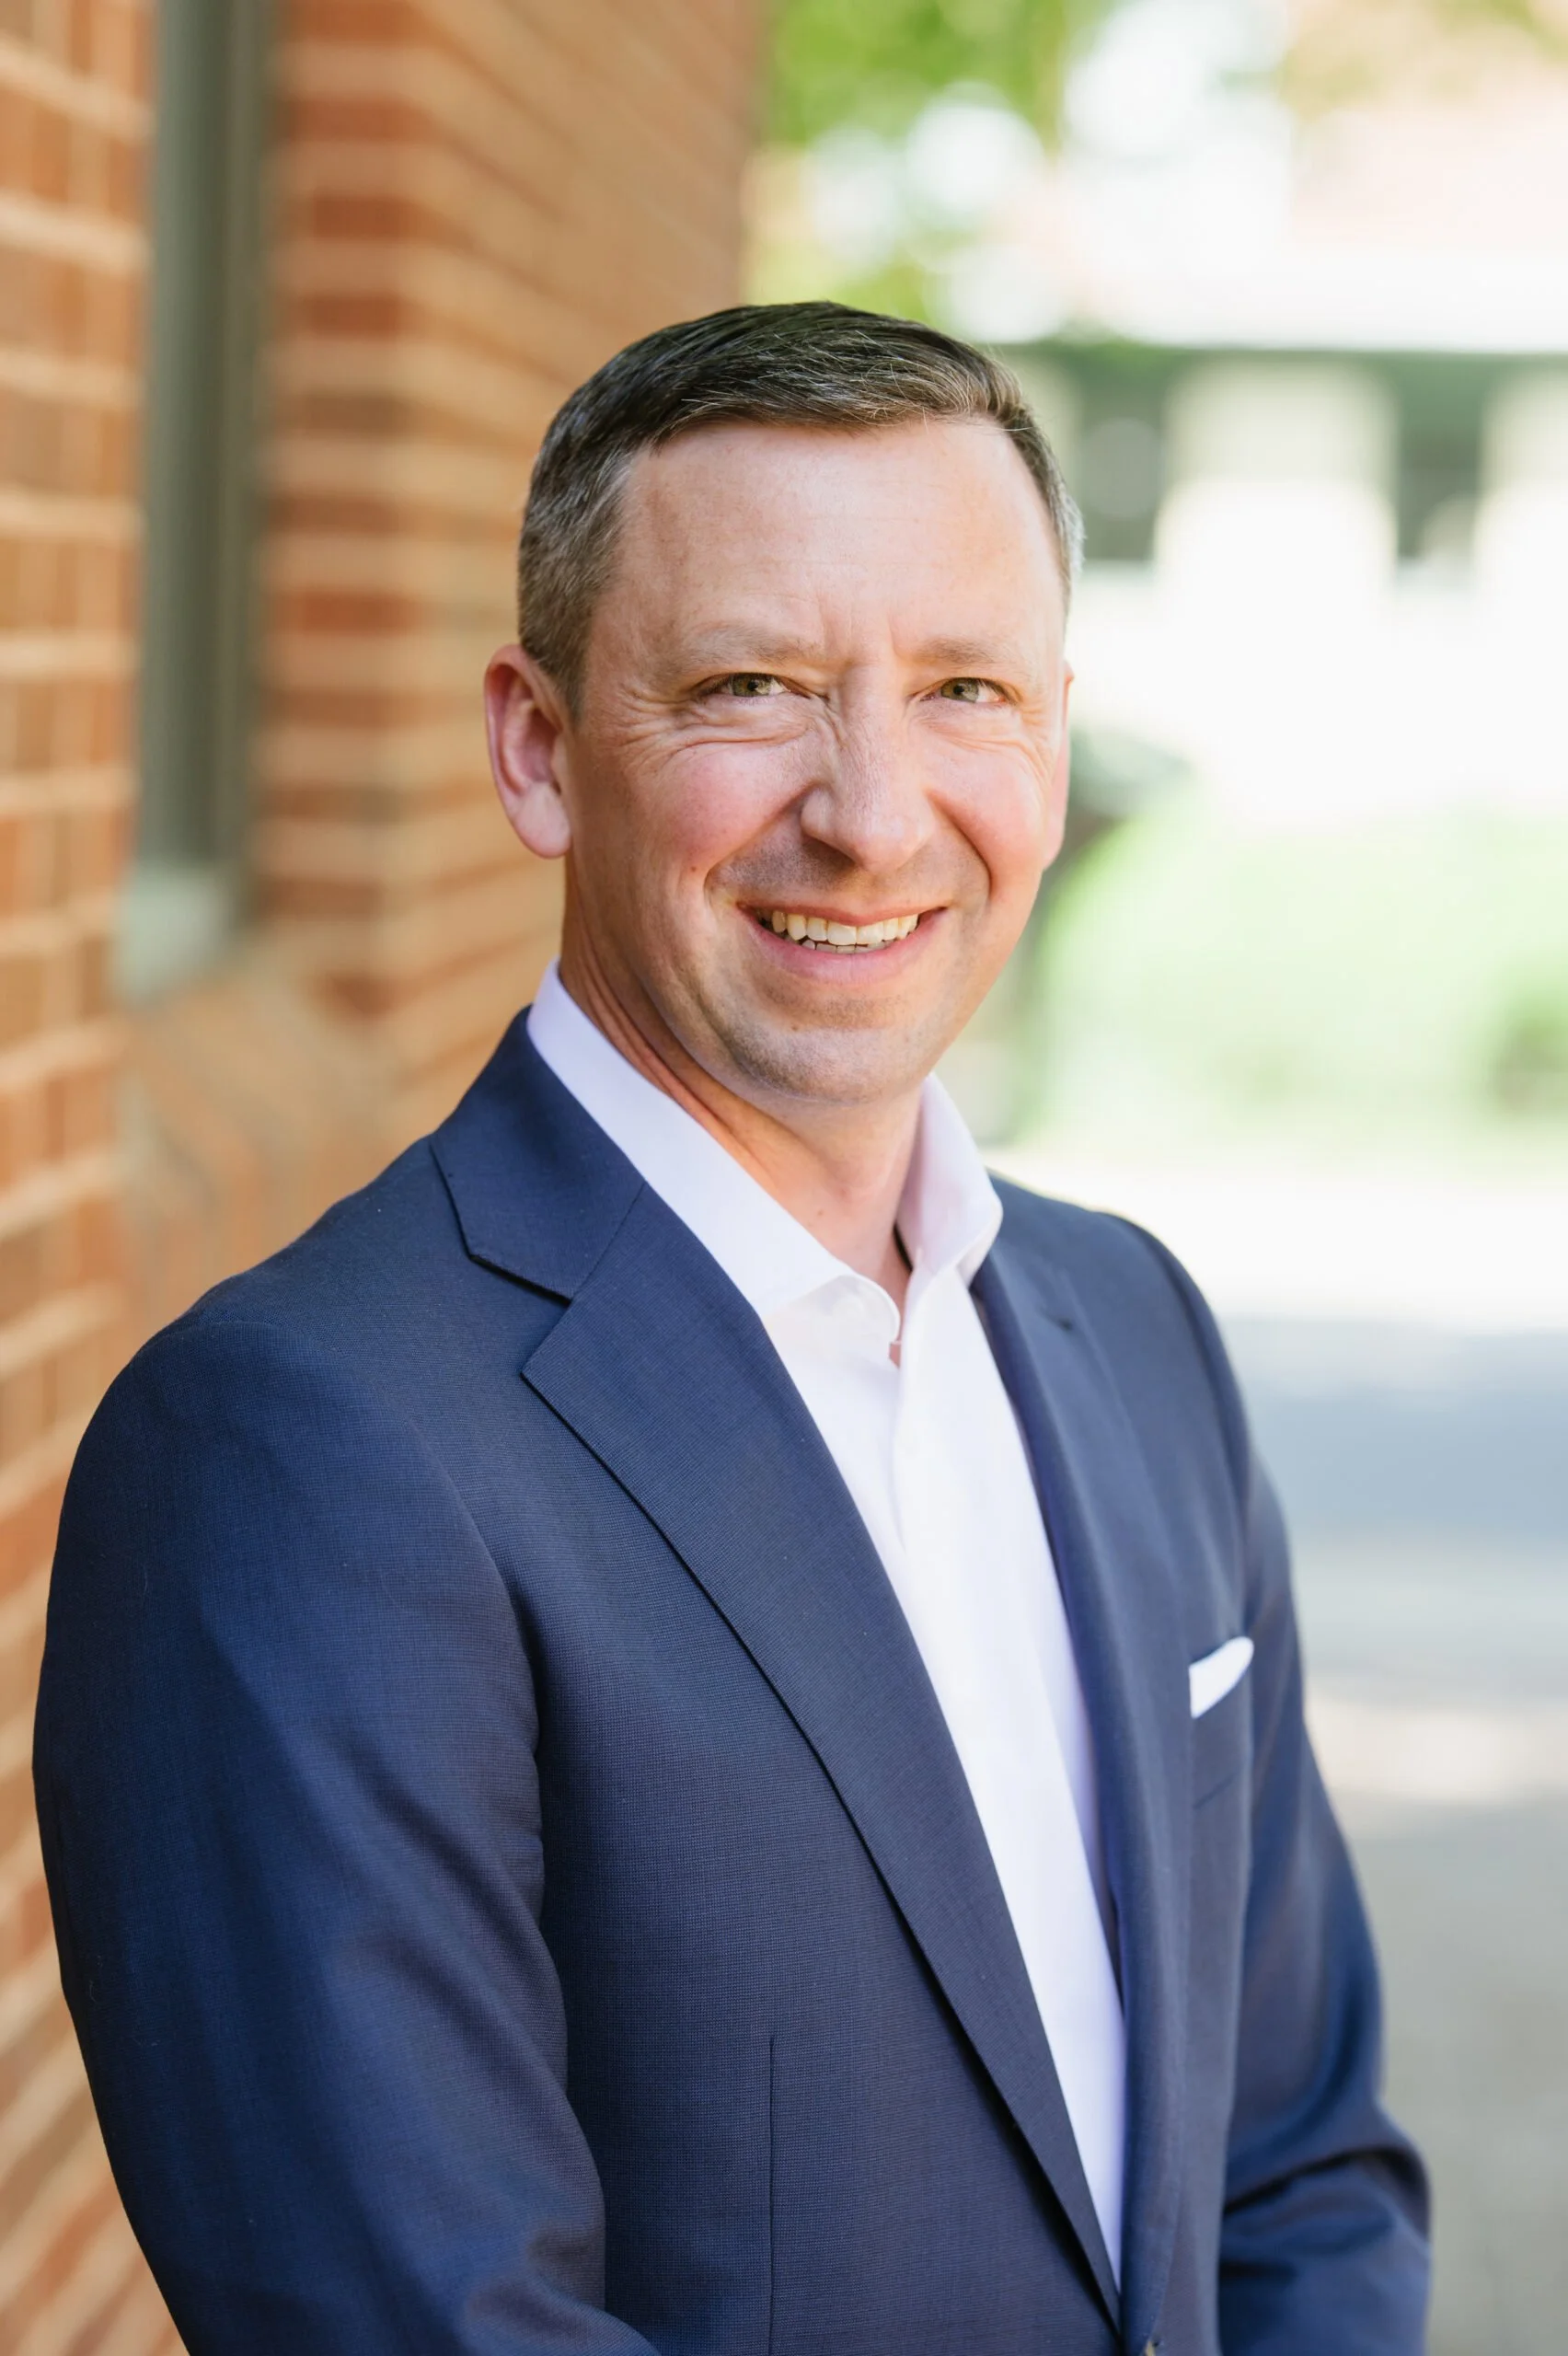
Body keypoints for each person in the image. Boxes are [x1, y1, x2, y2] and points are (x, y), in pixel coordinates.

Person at [35, 303, 1428, 2355]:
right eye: (754, 689)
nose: (873, 811)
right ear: (536, 745)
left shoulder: (1131, 1329)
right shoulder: (301, 1447)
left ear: (1051, 731)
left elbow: (1298, 2160)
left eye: (965, 688)